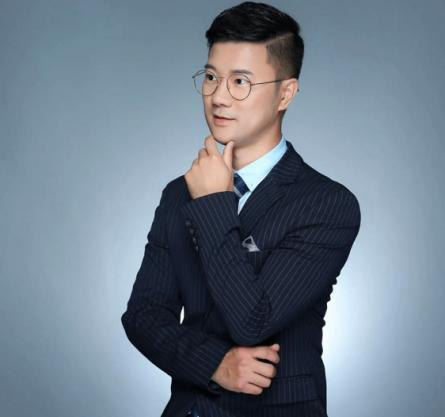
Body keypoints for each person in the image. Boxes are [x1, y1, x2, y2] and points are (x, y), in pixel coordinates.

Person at [121, 2, 361, 416]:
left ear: (285, 93)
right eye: (211, 77)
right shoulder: (178, 194)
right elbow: (143, 316)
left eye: (240, 82)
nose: (218, 97)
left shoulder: (327, 204)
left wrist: (214, 203)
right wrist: (214, 364)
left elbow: (252, 321)